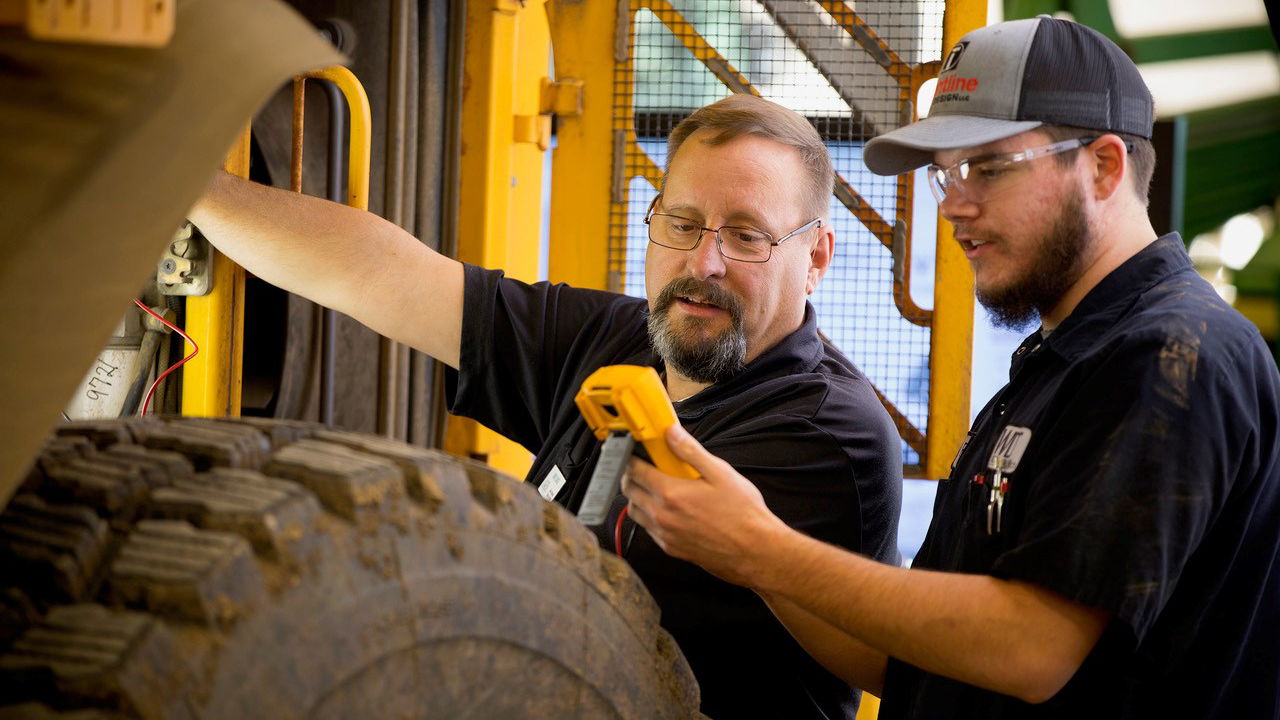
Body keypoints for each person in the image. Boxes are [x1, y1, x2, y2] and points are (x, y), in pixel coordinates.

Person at [622, 15, 1280, 719]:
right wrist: (743, 549)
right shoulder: (1057, 365)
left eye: (989, 167)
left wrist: (762, 549)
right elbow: (901, 659)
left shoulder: (1173, 355)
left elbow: (1033, 648)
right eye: (947, 176)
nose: (956, 206)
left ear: (1104, 166)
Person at [189, 93, 904, 718]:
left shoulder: (827, 434)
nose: (702, 263)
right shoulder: (622, 336)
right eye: (681, 223)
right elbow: (385, 273)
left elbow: (590, 627)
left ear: (815, 260)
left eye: (746, 236)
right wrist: (179, 188)